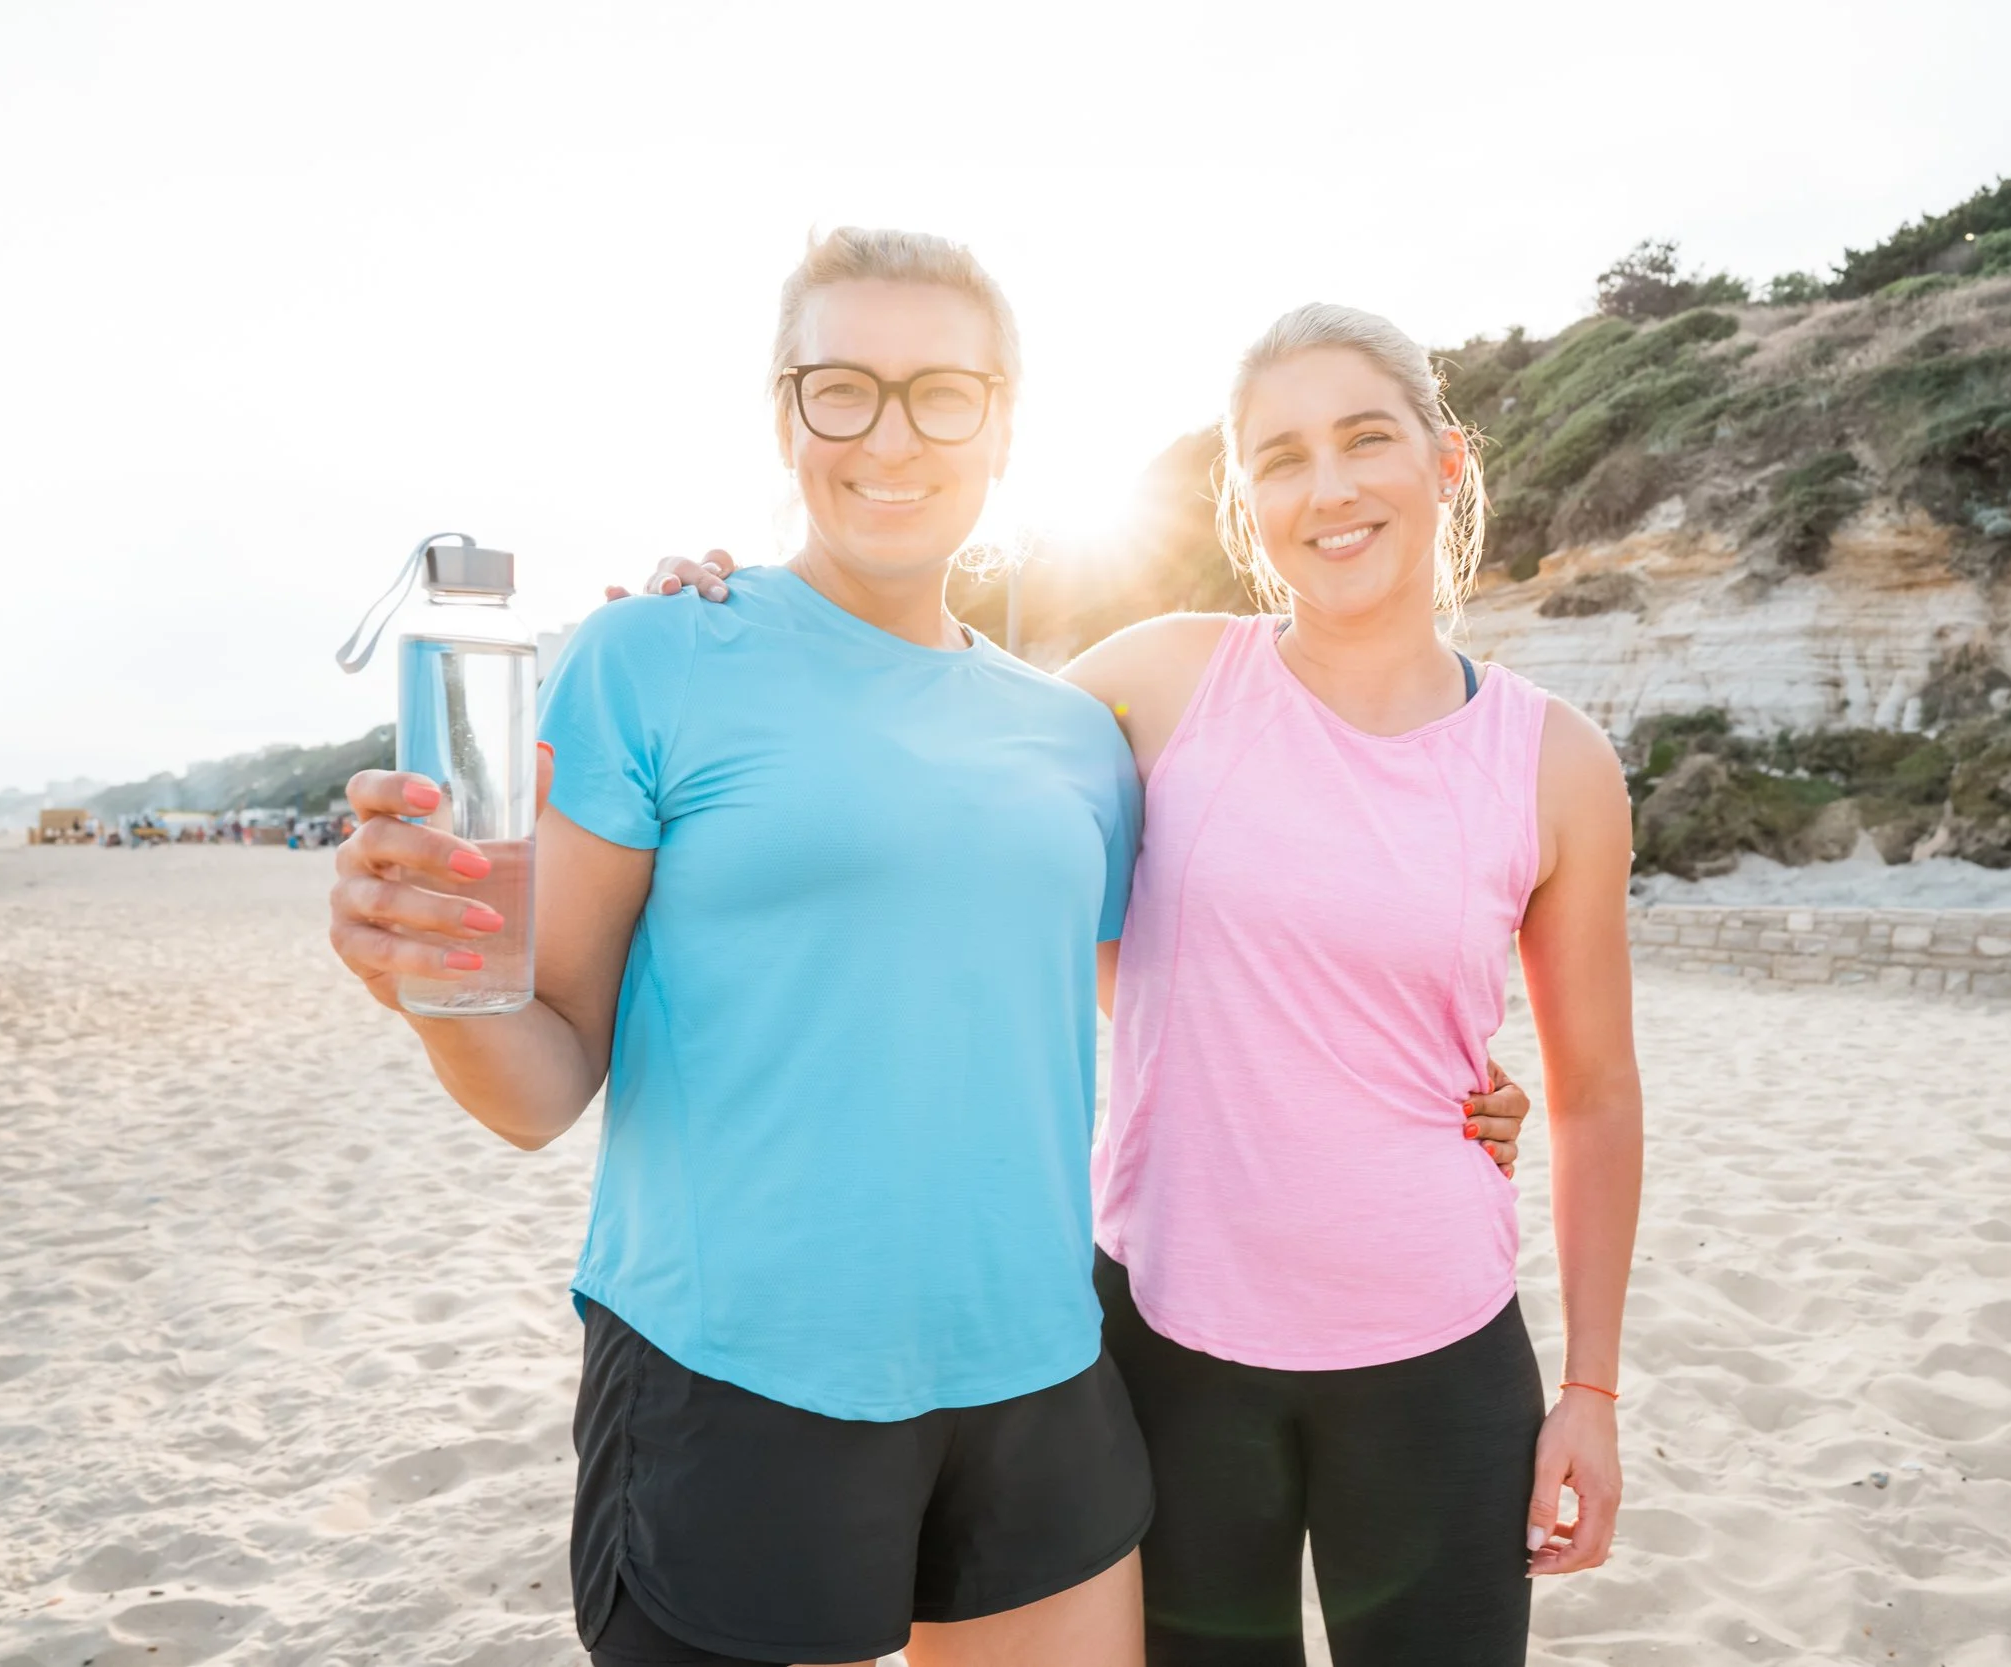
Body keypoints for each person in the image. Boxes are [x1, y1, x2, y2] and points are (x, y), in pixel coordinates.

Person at [330, 228, 1350, 1667]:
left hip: (1037, 1372)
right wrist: (426, 986)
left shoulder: (1075, 739)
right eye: (842, 387)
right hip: (731, 1376)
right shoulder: (652, 656)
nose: (890, 433)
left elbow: (1191, 1005)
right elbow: (541, 1079)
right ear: (783, 411)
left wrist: (1450, 1083)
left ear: (1003, 425)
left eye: (942, 392)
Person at [644, 301, 1639, 1666]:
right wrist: (739, 620)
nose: (1328, 486)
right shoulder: (1165, 681)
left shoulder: (1556, 761)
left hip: (1441, 1362)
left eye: (1365, 439)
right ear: (1245, 499)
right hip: (1170, 1349)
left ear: (1444, 460)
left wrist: (1591, 1385)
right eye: (1279, 456)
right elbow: (919, 732)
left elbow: (1593, 1093)